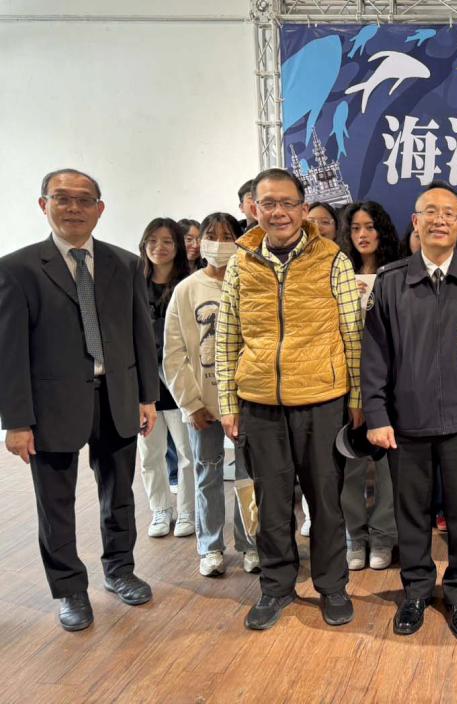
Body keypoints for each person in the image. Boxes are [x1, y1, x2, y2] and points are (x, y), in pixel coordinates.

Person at [0, 168, 158, 631]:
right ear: (43, 205)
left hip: (118, 397)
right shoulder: (17, 269)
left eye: (84, 200)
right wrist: (16, 421)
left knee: (120, 495)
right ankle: (70, 589)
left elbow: (140, 334)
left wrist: (147, 396)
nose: (74, 208)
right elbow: (9, 352)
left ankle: (120, 570)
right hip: (51, 406)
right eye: (62, 198)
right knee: (56, 505)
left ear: (100, 209)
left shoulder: (125, 263)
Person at [362, 181, 457, 641]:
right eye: (430, 211)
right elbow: (374, 356)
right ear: (415, 221)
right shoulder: (391, 281)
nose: (439, 220)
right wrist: (377, 415)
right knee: (410, 513)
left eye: (449, 213)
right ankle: (415, 591)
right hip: (405, 423)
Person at [215, 168, 363, 631]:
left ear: (303, 208)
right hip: (259, 402)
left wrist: (357, 397)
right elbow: (227, 335)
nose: (278, 212)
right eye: (268, 203)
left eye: (287, 203)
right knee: (272, 504)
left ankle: (332, 586)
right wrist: (228, 403)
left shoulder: (333, 259)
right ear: (253, 208)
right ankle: (276, 586)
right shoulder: (241, 263)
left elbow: (353, 333)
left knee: (326, 502)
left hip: (322, 400)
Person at [164, 212, 261, 577]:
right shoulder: (187, 289)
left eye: (226, 235)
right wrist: (190, 403)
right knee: (207, 473)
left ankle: (251, 543)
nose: (219, 243)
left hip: (247, 400)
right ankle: (210, 547)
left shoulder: (250, 283)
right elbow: (173, 353)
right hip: (203, 402)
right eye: (211, 235)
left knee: (249, 475)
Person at [336, 201, 401, 570]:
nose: (363, 234)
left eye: (370, 227)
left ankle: (383, 535)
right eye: (356, 227)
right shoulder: (339, 274)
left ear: (383, 231)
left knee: (389, 467)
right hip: (344, 384)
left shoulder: (398, 273)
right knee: (350, 464)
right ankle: (354, 536)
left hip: (391, 384)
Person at [136, 219, 197, 540]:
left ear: (178, 247)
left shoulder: (188, 284)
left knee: (187, 455)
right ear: (144, 244)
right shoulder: (133, 283)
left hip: (180, 382)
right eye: (153, 241)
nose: (159, 247)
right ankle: (160, 508)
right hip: (144, 385)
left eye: (167, 241)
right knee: (150, 454)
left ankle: (187, 510)